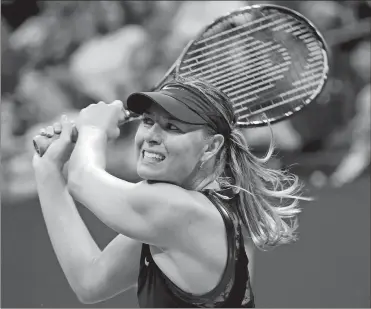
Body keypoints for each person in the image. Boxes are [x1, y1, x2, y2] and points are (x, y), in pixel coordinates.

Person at [32, 76, 306, 308]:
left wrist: (93, 128)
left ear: (211, 147)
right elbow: (90, 281)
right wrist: (48, 172)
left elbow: (82, 179)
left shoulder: (180, 211)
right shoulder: (174, 221)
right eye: (148, 121)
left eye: (172, 127)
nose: (152, 135)